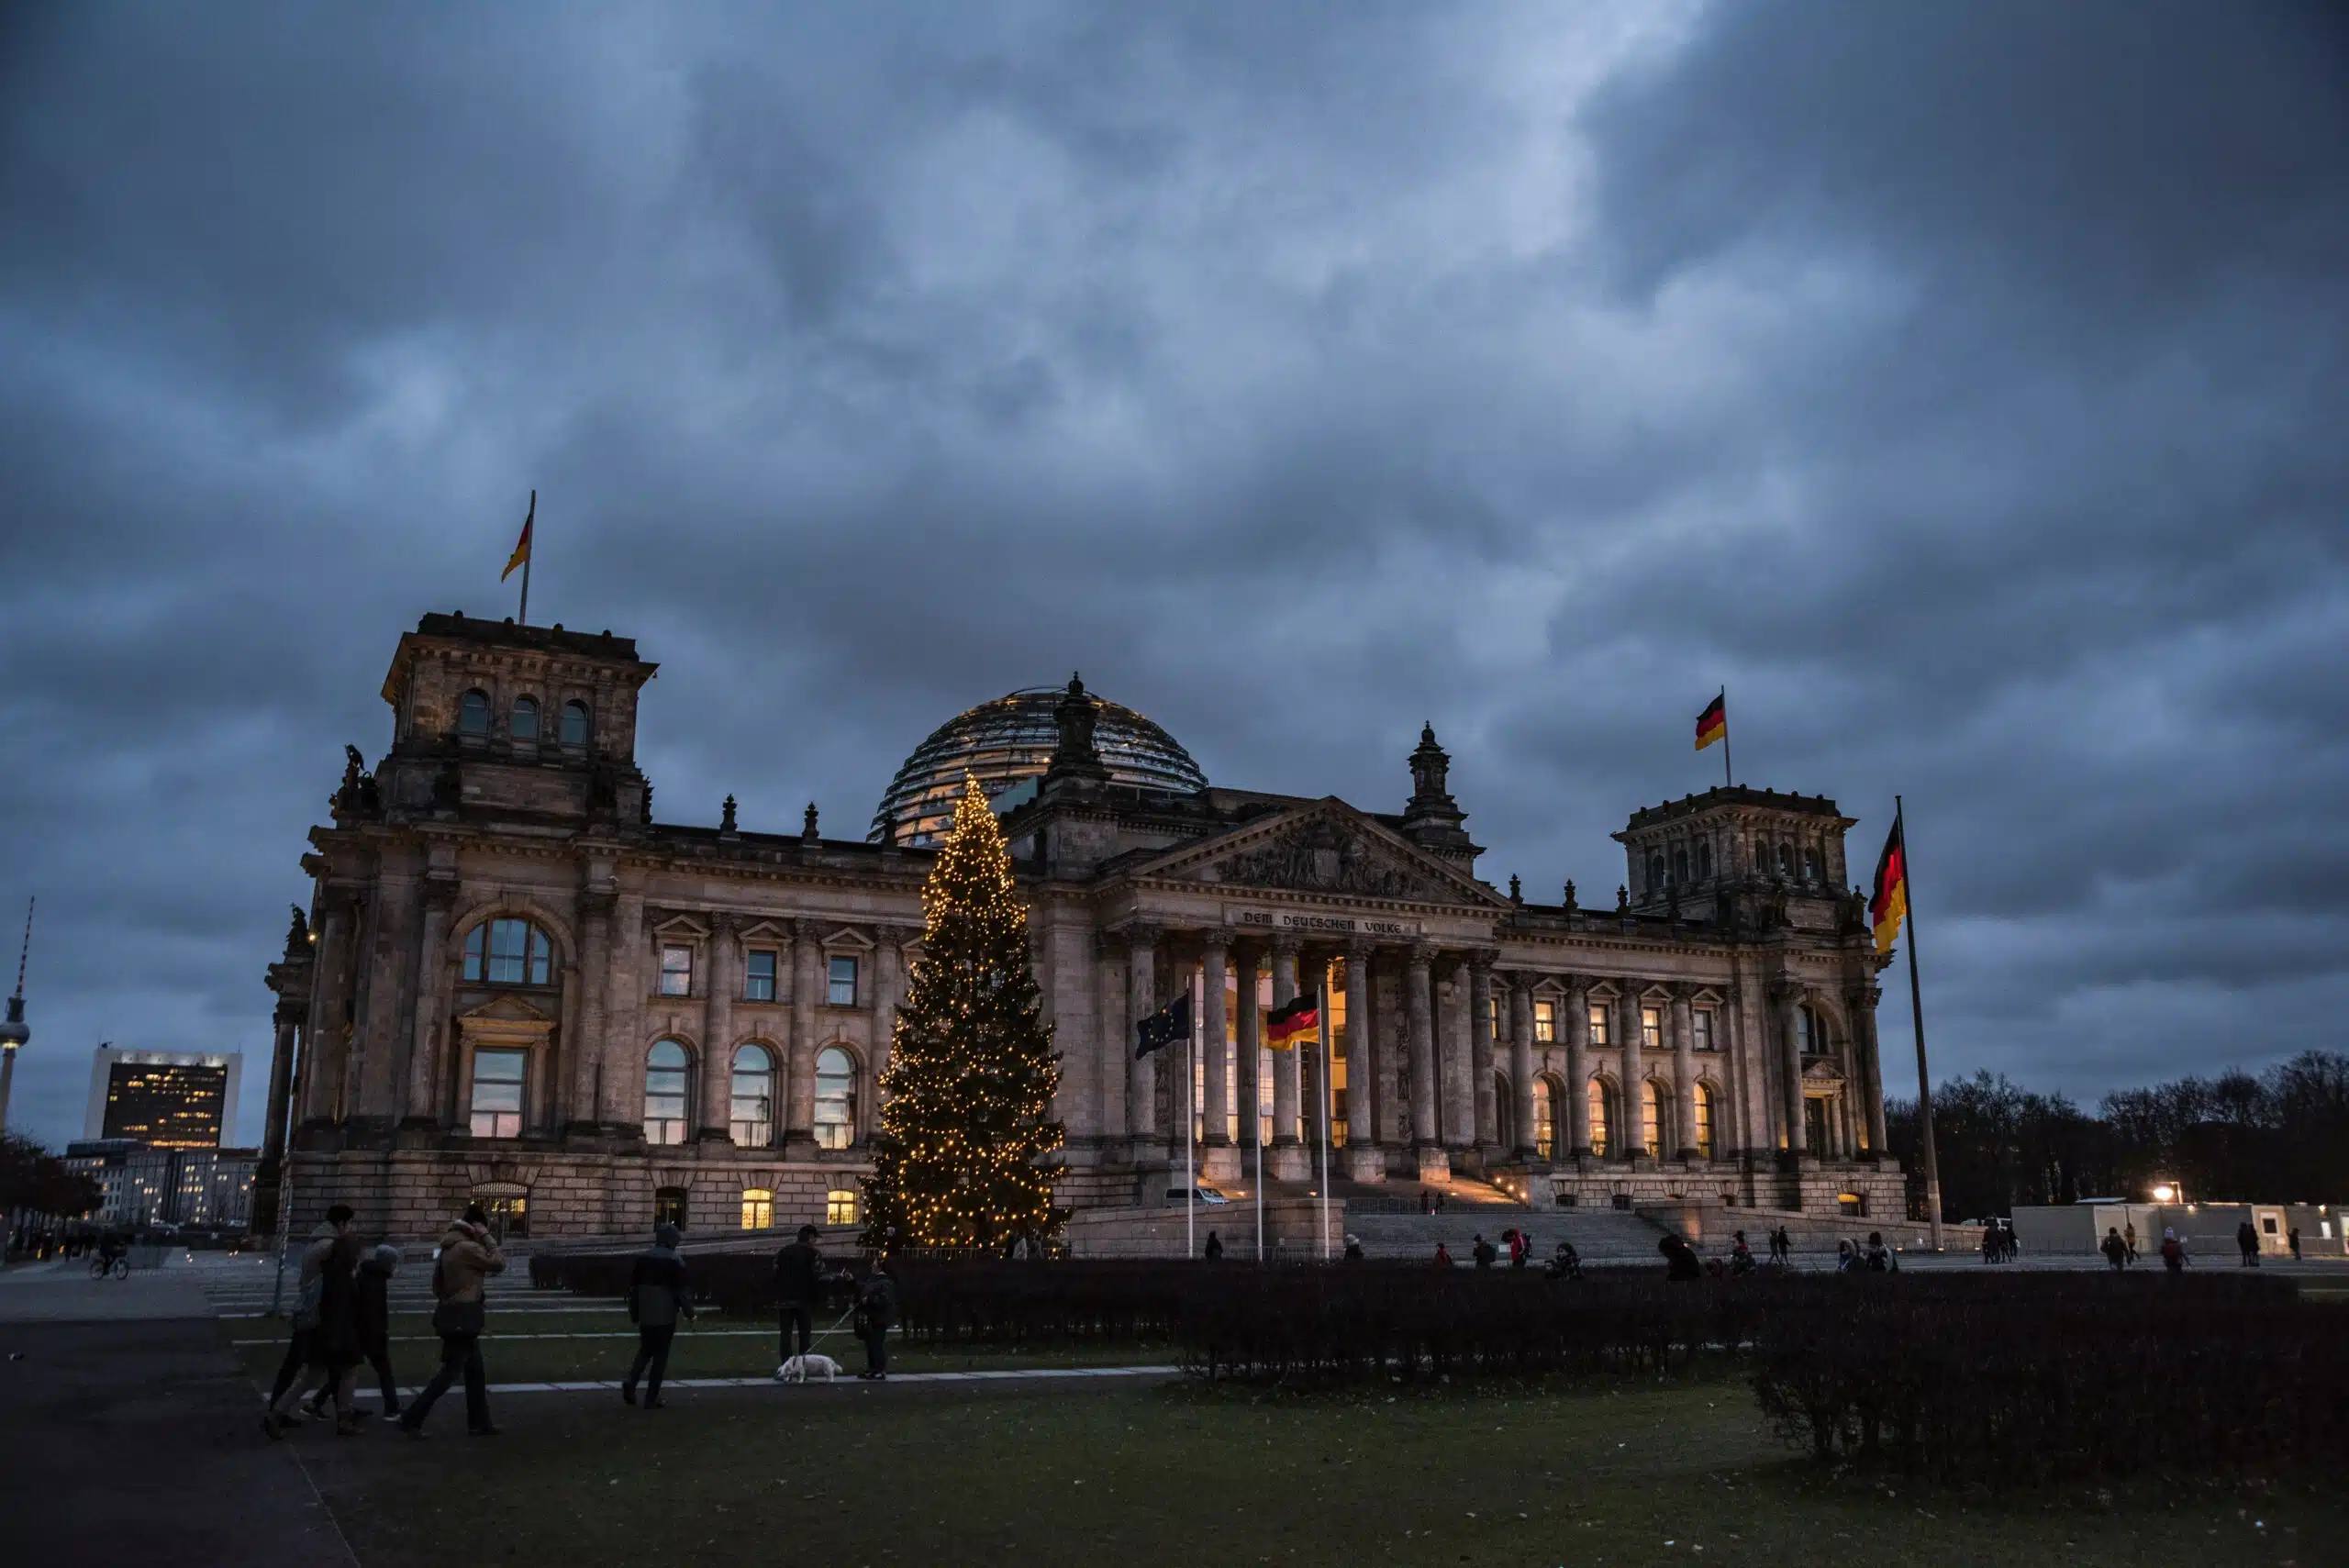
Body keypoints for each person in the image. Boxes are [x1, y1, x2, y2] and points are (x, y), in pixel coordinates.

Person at [398, 1204, 507, 1438]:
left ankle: (480, 1422)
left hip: (452, 1312)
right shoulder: (467, 1247)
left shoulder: (448, 1247)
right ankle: (411, 1419)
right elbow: (498, 1263)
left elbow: (436, 1286)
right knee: (450, 1373)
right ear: (476, 1226)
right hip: (464, 1316)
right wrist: (487, 1237)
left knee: (475, 1371)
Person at [265, 1205, 354, 1429]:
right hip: (319, 1314)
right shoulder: (331, 1246)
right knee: (325, 1367)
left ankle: (280, 1410)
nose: (351, 1228)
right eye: (350, 1223)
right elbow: (336, 1283)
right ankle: (279, 1411)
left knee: (310, 1367)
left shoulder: (316, 1242)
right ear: (341, 1223)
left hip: (308, 1310)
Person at [308, 1243, 401, 1421]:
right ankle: (392, 1408)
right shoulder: (377, 1281)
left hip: (360, 1332)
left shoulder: (367, 1275)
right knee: (382, 1371)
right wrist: (379, 1334)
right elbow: (373, 1312)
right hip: (370, 1335)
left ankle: (316, 1403)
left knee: (344, 1372)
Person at [624, 1222, 695, 1408]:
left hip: (646, 1312)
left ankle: (631, 1382)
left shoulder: (644, 1258)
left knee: (645, 1350)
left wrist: (635, 1312)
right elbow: (681, 1291)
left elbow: (634, 1288)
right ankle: (651, 1396)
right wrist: (690, 1313)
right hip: (665, 1314)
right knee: (661, 1355)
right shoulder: (675, 1260)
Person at [773, 1225, 828, 1366]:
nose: (815, 1241)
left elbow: (775, 1272)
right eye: (814, 1238)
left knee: (785, 1335)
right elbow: (819, 1275)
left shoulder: (783, 1252)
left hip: (784, 1299)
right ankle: (803, 1365)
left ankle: (786, 1366)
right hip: (804, 1299)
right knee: (804, 1335)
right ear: (810, 1238)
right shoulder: (814, 1253)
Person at [854, 1259, 896, 1381]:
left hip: (879, 1318)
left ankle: (880, 1370)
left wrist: (870, 1300)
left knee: (877, 1344)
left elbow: (885, 1300)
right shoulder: (874, 1280)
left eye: (874, 1263)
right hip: (871, 1317)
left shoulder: (885, 1283)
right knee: (870, 1344)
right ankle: (872, 1369)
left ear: (879, 1267)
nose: (871, 1265)